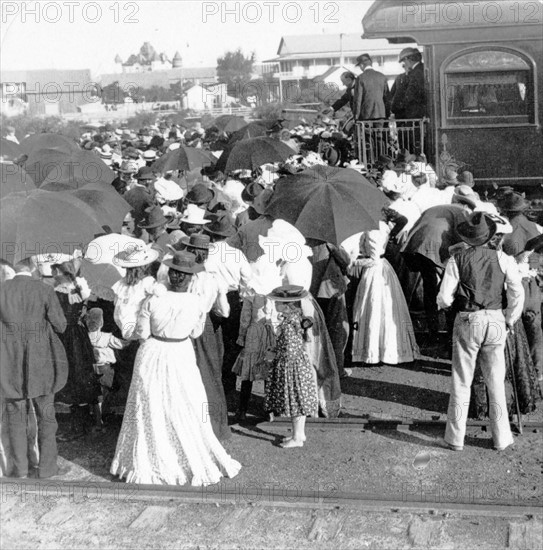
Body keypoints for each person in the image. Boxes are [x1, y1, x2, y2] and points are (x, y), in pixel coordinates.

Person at [110, 251, 242, 485]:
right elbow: (196, 333)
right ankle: (183, 456)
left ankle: (152, 458)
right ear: (190, 278)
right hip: (180, 352)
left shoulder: (153, 300)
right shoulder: (196, 303)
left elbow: (143, 333)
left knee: (150, 403)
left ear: (170, 276)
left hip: (153, 352)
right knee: (185, 402)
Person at [437, 212, 524, 451]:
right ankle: (502, 438)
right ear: (491, 236)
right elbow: (517, 293)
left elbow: (444, 297)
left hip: (468, 319)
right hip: (496, 319)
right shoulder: (504, 259)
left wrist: (446, 306)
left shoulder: (457, 259)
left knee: (461, 380)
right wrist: (509, 319)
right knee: (496, 381)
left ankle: (455, 438)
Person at [0, 257, 68, 478]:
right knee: (47, 415)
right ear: (32, 269)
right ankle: (47, 469)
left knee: (15, 417)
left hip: (9, 361)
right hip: (41, 360)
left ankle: (20, 469)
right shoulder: (44, 289)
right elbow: (61, 325)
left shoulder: (2, 289)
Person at [349, 222, 420, 365]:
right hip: (383, 267)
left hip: (374, 269)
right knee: (386, 308)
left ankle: (373, 351)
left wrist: (354, 263)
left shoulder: (371, 229)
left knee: (374, 307)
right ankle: (384, 350)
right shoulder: (384, 226)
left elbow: (370, 257)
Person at [51, 261, 101, 439]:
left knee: (73, 376)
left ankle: (77, 427)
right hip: (79, 335)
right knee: (81, 375)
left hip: (65, 336)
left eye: (53, 270)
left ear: (58, 270)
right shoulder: (79, 287)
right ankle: (89, 423)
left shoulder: (58, 291)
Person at [265, 285, 319, 448]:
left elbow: (289, 348)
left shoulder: (289, 323)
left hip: (291, 366)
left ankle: (296, 438)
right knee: (299, 399)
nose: (275, 305)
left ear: (287, 305)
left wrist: (275, 354)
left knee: (294, 399)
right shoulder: (296, 318)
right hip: (299, 363)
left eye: (278, 303)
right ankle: (299, 433)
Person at [500, 193, 543, 387]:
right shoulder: (531, 225)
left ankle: (520, 371)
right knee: (533, 325)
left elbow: (511, 253)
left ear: (507, 211)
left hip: (518, 280)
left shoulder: (512, 228)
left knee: (515, 325)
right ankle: (537, 368)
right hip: (533, 280)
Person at [391, 48, 426, 120]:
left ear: (408, 59)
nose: (404, 64)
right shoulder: (422, 69)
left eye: (404, 61)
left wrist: (399, 107)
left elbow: (410, 96)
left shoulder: (415, 73)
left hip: (414, 115)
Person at [353, 53, 390, 122]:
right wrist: (387, 114)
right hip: (381, 114)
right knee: (379, 132)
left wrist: (356, 116)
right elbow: (387, 98)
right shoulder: (382, 76)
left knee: (366, 133)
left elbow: (358, 99)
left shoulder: (360, 78)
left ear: (361, 65)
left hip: (366, 115)